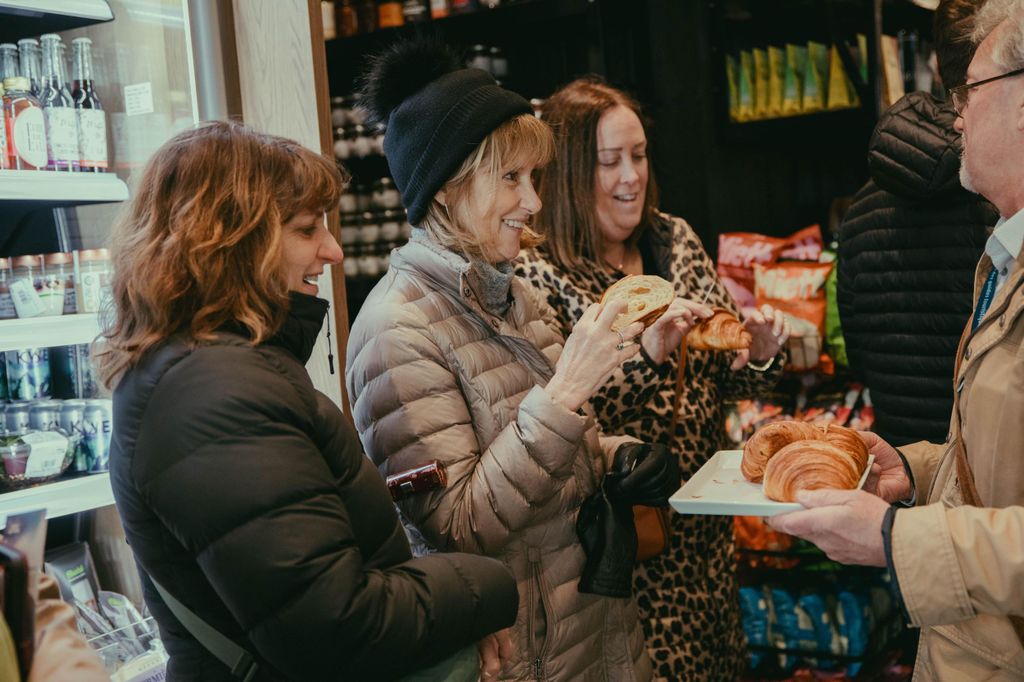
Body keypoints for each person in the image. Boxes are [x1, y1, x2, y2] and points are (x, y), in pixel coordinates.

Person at [99, 121, 519, 681]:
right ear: (227, 240)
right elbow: (335, 627)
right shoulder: (212, 394)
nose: (333, 251)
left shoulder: (211, 373)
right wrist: (488, 587)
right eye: (304, 230)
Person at [345, 42, 687, 681]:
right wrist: (563, 397)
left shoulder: (517, 293)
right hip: (522, 658)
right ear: (446, 188)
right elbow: (456, 528)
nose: (533, 202)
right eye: (511, 178)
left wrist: (616, 457)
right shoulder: (395, 330)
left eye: (534, 178)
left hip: (596, 633)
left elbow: (563, 449)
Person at [770, 1, 1024, 677]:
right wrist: (916, 470)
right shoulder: (1001, 259)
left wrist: (892, 539)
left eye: (970, 91)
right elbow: (1001, 476)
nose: (957, 112)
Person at [516, 78, 790, 681]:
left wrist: (761, 353)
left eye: (638, 156)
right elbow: (563, 410)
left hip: (705, 544)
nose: (631, 176)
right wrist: (648, 354)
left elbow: (731, 379)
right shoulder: (538, 275)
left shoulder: (676, 240)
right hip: (625, 551)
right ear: (566, 175)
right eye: (609, 161)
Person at [837, 0, 998, 447]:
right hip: (987, 482)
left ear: (935, 60)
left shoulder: (860, 209)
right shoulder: (1004, 197)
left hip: (897, 468)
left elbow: (856, 354)